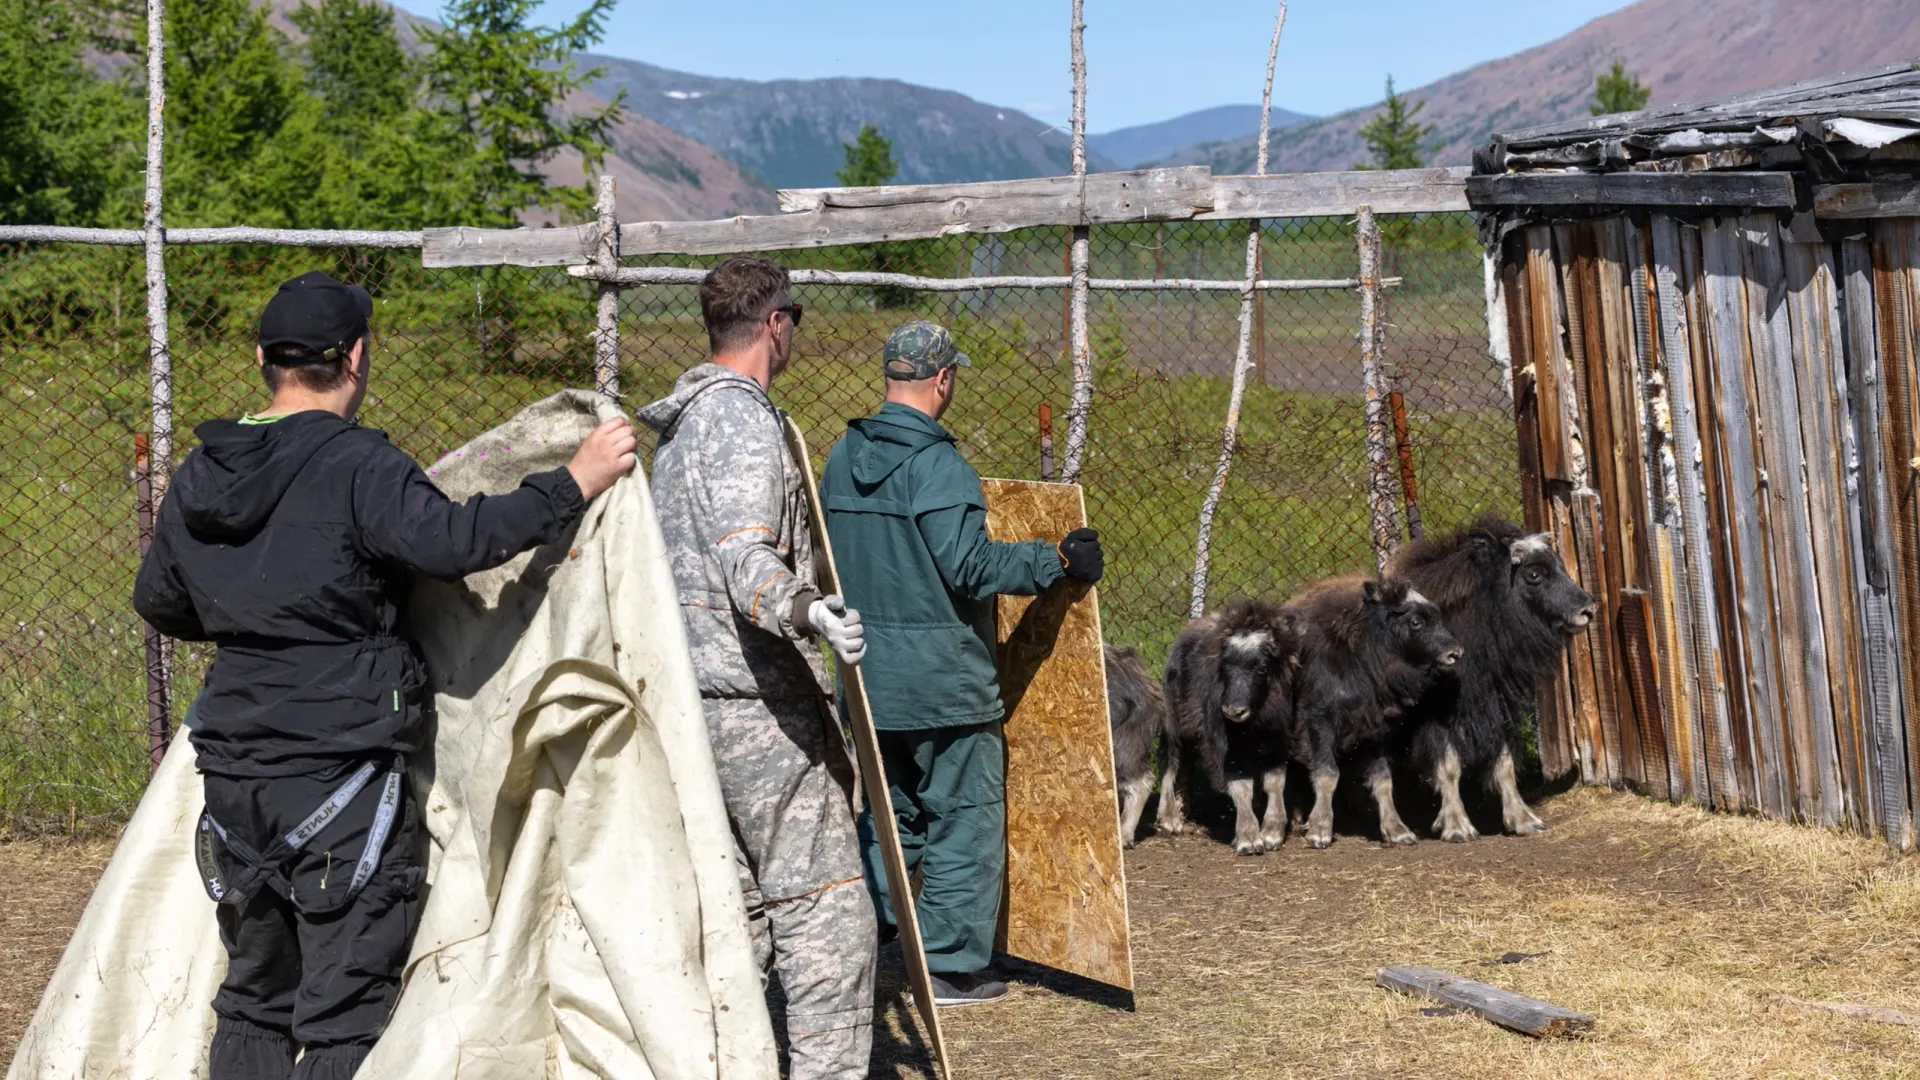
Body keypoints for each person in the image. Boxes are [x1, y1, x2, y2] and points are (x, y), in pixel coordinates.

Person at [131, 270, 637, 1080]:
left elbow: (160, 600)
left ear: (264, 357)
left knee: (256, 995)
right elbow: (455, 544)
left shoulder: (200, 471)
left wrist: (256, 625)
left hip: (233, 772)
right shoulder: (360, 465)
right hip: (343, 770)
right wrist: (571, 483)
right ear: (357, 357)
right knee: (346, 1007)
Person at [636, 256, 877, 1080]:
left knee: (739, 924)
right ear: (775, 323)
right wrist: (809, 611)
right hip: (752, 707)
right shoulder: (737, 421)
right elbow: (748, 557)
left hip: (687, 704)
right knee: (828, 917)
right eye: (795, 319)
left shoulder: (678, 428)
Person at [821, 320, 1105, 1007]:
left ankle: (862, 934)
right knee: (962, 819)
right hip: (943, 682)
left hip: (867, 678)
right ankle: (948, 967)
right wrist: (1056, 561)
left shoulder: (839, 454)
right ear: (943, 380)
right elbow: (970, 565)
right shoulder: (938, 465)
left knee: (892, 815)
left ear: (892, 376)